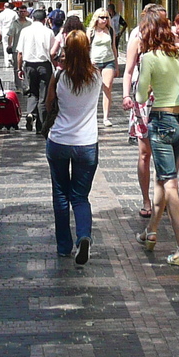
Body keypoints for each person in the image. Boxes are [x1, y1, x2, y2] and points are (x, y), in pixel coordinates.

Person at [134, 10, 179, 268]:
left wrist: (152, 85)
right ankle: (151, 231)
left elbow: (141, 97)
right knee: (162, 178)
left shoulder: (149, 58)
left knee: (170, 184)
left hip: (161, 121)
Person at [44, 28, 102, 264]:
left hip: (59, 141)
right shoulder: (97, 75)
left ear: (66, 50)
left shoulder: (59, 76)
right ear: (88, 49)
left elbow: (48, 106)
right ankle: (84, 236)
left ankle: (63, 246)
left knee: (60, 194)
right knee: (80, 196)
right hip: (87, 143)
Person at [119, 4, 164, 219]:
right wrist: (126, 95)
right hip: (144, 100)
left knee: (165, 153)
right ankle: (147, 198)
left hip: (166, 98)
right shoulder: (138, 39)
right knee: (145, 153)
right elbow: (128, 71)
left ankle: (163, 195)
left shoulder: (171, 41)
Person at [14, 9, 56, 132]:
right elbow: (52, 52)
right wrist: (55, 67)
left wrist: (19, 68)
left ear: (32, 19)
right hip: (44, 65)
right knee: (43, 95)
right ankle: (41, 126)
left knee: (32, 92)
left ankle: (31, 113)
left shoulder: (25, 31)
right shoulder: (48, 32)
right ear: (45, 20)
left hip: (29, 65)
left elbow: (20, 53)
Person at [87, 10, 118, 127]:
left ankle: (106, 117)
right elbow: (86, 48)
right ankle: (91, 116)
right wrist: (89, 60)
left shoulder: (110, 30)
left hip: (108, 61)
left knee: (107, 87)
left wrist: (116, 63)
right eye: (102, 17)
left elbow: (113, 47)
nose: (104, 20)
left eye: (106, 17)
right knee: (93, 89)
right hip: (94, 63)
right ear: (96, 18)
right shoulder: (90, 32)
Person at [3, 3, 32, 79]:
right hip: (16, 48)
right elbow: (10, 35)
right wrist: (10, 45)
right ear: (18, 13)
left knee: (26, 67)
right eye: (21, 11)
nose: (22, 13)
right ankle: (18, 86)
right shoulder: (14, 23)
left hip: (27, 49)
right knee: (17, 68)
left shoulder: (30, 23)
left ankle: (26, 86)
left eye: (24, 11)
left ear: (26, 13)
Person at [0, 1, 19, 71]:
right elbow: (17, 22)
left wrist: (0, 32)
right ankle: (11, 57)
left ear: (4, 7)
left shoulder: (1, 14)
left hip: (4, 31)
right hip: (12, 30)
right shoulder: (14, 13)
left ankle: (7, 63)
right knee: (13, 45)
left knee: (5, 46)